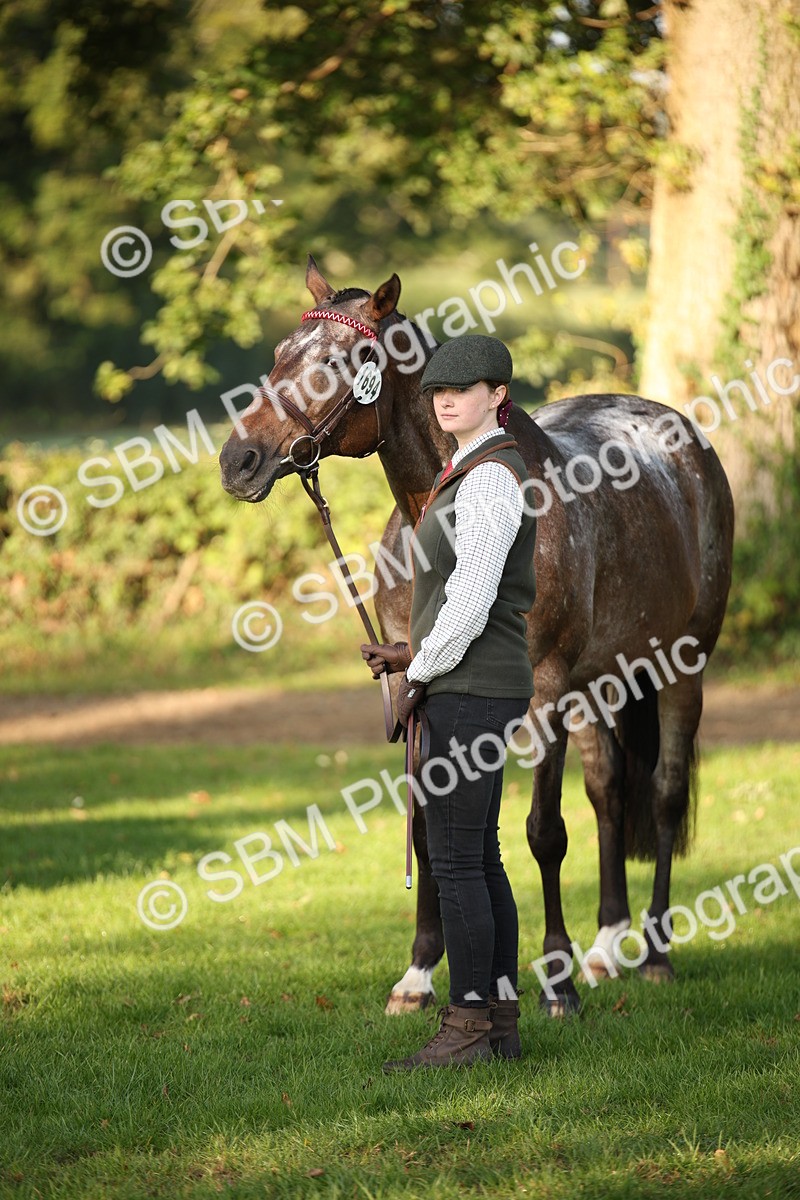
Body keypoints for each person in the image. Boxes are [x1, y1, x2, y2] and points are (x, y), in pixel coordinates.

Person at [361, 333, 537, 1072]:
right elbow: (459, 598)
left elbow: (472, 599)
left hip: (471, 688)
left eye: (462, 390)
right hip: (470, 679)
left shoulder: (492, 476)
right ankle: (497, 1021)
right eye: (437, 392)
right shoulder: (464, 470)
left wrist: (419, 678)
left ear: (498, 395)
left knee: (460, 861)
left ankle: (465, 1026)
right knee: (481, 856)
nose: (445, 400)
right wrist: (410, 653)